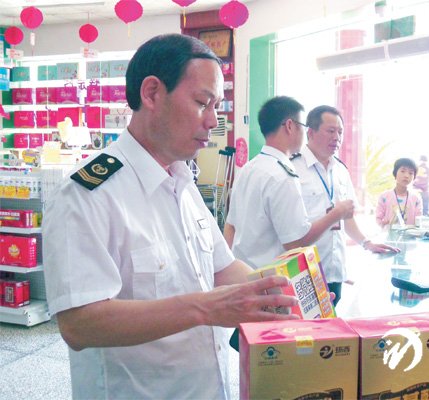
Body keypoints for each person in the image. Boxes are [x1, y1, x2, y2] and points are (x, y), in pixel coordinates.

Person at [42, 34, 300, 400]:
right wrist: (206, 308)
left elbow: (223, 268)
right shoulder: (86, 194)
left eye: (217, 106)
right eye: (202, 103)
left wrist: (282, 294)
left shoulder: (182, 180)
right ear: (151, 93)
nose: (213, 120)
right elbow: (80, 324)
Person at [223, 96, 354, 270]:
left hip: (244, 274)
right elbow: (296, 243)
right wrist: (335, 214)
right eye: (303, 127)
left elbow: (230, 226)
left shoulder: (248, 168)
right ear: (290, 126)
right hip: (270, 279)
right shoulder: (283, 175)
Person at [291, 105, 398, 305]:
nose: (337, 137)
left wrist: (367, 243)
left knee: (332, 321)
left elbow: (346, 218)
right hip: (302, 272)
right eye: (331, 131)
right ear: (310, 132)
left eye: (340, 132)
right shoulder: (292, 168)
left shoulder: (340, 170)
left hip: (334, 269)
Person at [376, 158, 423, 228]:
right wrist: (383, 224)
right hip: (389, 233)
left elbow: (418, 221)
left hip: (410, 234)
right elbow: (378, 219)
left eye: (411, 173)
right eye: (402, 171)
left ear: (414, 177)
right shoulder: (384, 197)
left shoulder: (416, 198)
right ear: (395, 173)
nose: (406, 176)